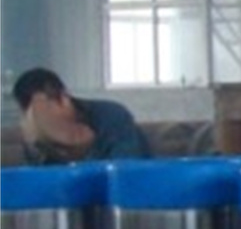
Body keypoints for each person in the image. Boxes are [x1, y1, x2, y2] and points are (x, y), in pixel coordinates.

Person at [13, 68, 151, 164]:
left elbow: (126, 169)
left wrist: (81, 148)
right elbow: (43, 184)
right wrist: (38, 149)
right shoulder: (35, 135)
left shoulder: (111, 115)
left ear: (63, 98)